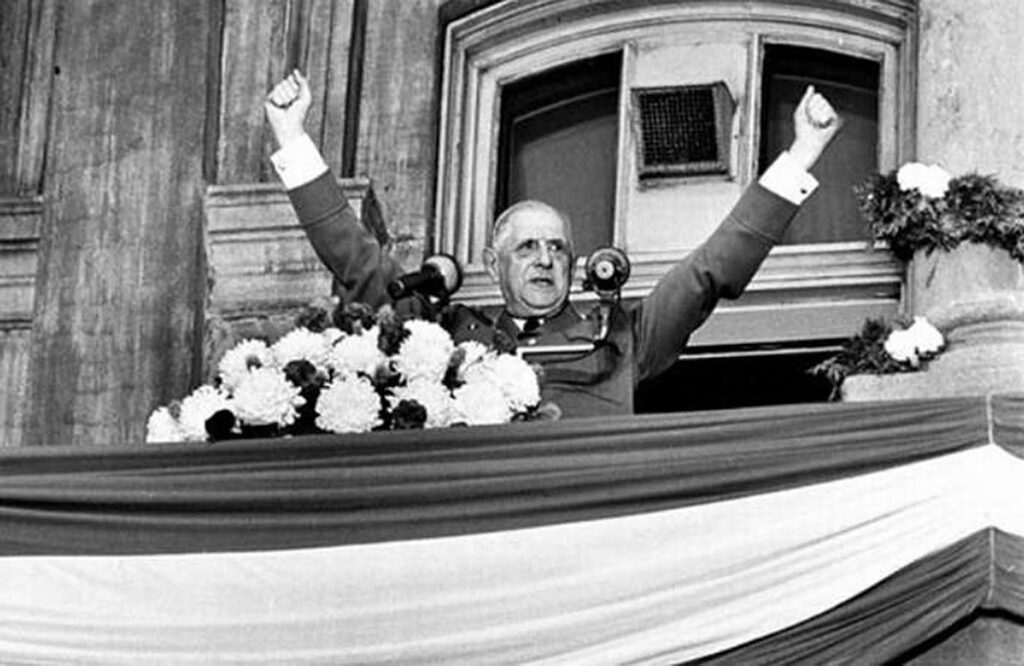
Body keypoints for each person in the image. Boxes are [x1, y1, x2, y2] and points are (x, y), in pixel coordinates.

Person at [265, 70, 841, 418]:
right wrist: (291, 137)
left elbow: (709, 271)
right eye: (527, 248)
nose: (544, 259)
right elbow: (359, 264)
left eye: (558, 249)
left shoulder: (621, 337)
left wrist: (802, 154)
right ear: (492, 263)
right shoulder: (445, 335)